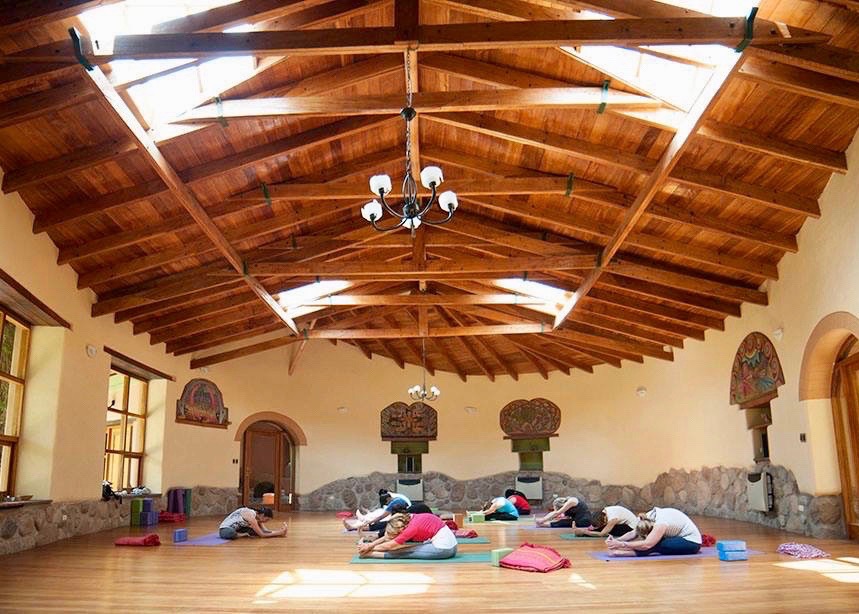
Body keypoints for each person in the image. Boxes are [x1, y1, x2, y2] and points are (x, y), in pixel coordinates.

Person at [605, 507, 702, 557]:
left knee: (656, 544)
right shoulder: (645, 517)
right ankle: (621, 551)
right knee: (654, 542)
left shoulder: (661, 523)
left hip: (692, 543)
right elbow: (633, 533)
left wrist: (621, 545)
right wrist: (616, 540)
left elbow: (647, 545)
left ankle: (620, 553)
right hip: (677, 537)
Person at [357, 512, 457, 560]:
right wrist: (369, 546)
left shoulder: (411, 528)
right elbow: (388, 537)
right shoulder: (409, 517)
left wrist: (368, 549)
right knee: (407, 548)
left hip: (443, 549)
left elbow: (389, 545)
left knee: (404, 551)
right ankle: (369, 552)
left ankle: (369, 555)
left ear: (401, 529)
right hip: (452, 547)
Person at [343, 489, 413, 531]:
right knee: (379, 516)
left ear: (388, 499)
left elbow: (381, 517)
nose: (387, 504)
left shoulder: (393, 503)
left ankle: (353, 527)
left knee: (379, 524)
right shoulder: (398, 499)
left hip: (401, 520)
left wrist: (369, 522)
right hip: (402, 518)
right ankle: (364, 519)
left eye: (386, 503)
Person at [218, 507, 287, 539]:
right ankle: (239, 535)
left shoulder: (257, 517)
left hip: (238, 528)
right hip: (225, 530)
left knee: (254, 532)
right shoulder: (251, 516)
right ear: (262, 515)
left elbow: (265, 531)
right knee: (231, 533)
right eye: (267, 519)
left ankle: (240, 534)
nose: (266, 522)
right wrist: (278, 533)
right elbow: (262, 535)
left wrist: (279, 531)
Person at [571, 505, 638, 538]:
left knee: (603, 530)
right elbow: (595, 525)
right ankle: (580, 531)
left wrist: (585, 532)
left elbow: (602, 534)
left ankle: (582, 533)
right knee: (599, 528)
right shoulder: (603, 513)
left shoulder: (612, 518)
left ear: (605, 518)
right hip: (622, 523)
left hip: (631, 528)